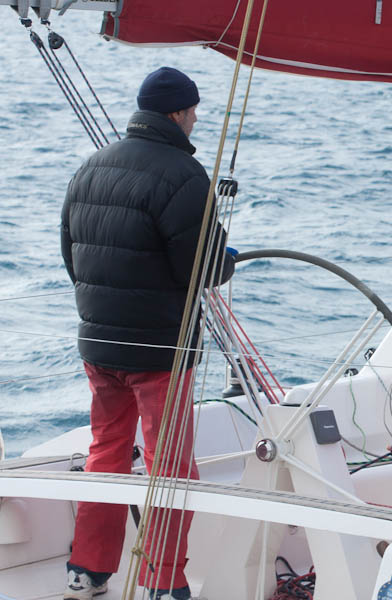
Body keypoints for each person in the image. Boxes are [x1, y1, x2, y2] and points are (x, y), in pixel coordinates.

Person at [60, 66, 235, 600]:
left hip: (98, 344)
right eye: (194, 112)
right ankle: (163, 582)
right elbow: (205, 269)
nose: (197, 121)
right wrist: (224, 260)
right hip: (158, 349)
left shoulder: (90, 167)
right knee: (170, 465)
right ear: (179, 114)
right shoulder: (184, 176)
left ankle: (87, 571)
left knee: (106, 452)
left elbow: (70, 256)